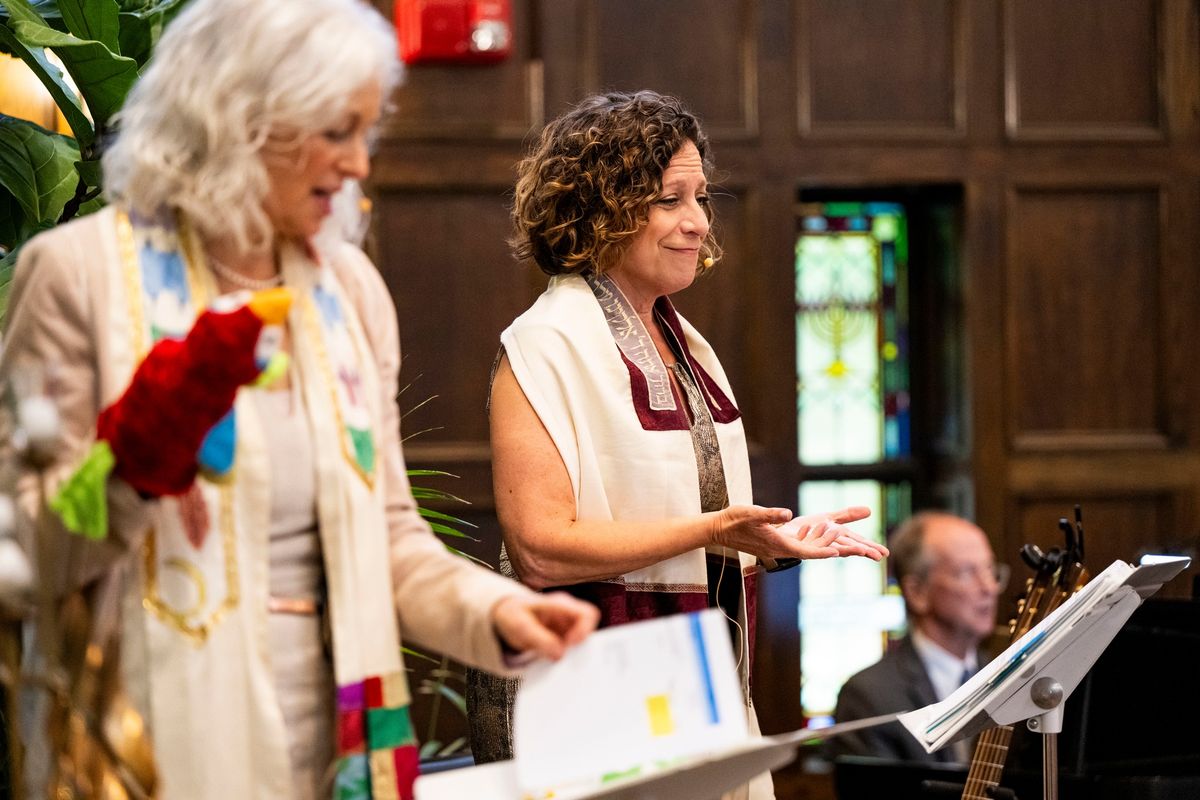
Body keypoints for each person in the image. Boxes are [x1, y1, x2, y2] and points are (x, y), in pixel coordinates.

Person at [0, 1, 599, 798]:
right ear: (237, 118)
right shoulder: (78, 273)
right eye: (335, 132)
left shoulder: (348, 290)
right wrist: (134, 462)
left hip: (337, 744)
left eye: (366, 132)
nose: (359, 164)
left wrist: (492, 613)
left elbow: (390, 535)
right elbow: (26, 560)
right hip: (148, 741)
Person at [466, 90, 889, 798]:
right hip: (597, 700)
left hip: (703, 686)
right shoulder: (544, 341)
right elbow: (541, 545)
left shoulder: (687, 343)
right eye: (670, 200)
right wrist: (719, 529)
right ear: (600, 208)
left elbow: (695, 527)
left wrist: (764, 541)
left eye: (701, 198)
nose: (698, 223)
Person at [828, 511, 1005, 764]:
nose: (989, 587)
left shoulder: (1008, 680)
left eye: (990, 570)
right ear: (917, 592)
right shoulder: (869, 695)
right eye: (967, 572)